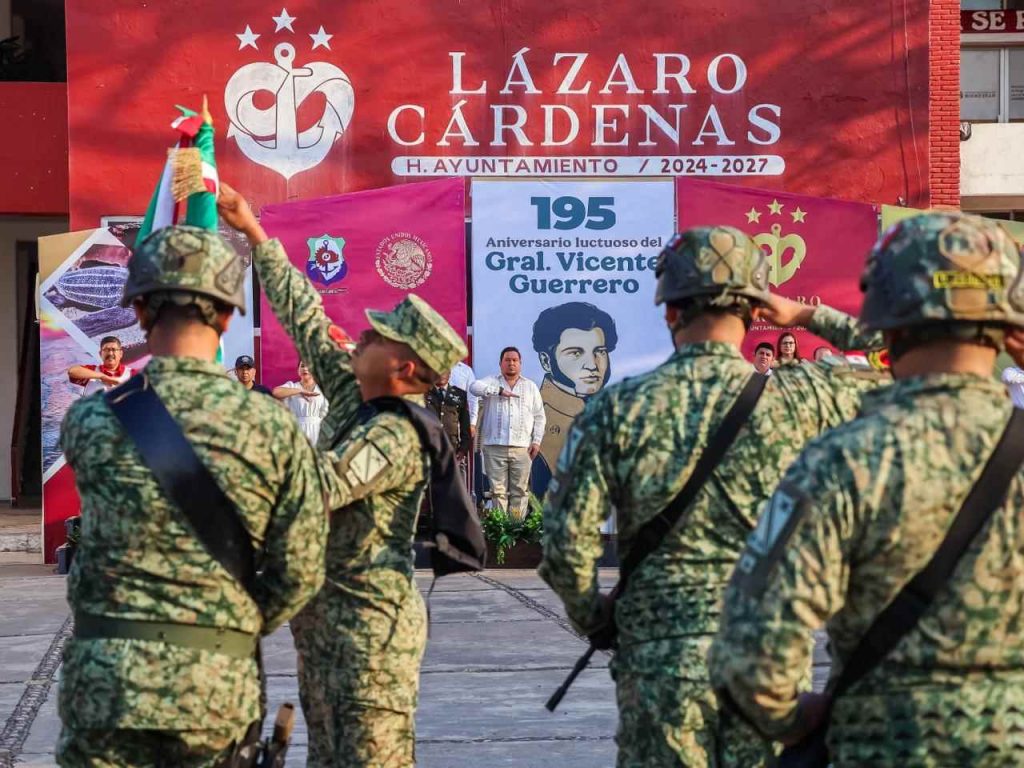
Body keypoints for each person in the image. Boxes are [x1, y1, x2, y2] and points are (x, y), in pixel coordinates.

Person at [538, 226, 885, 768]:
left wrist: (597, 617)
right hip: (768, 659)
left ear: (670, 312)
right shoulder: (806, 397)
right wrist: (803, 314)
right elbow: (906, 357)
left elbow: (564, 546)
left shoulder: (617, 409)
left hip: (661, 660)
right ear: (755, 311)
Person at [710, 213, 1024, 767]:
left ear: (887, 323)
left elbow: (752, 654)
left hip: (878, 744)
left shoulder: (839, 461)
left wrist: (800, 719)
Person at [217, 182, 468, 768]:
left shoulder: (397, 433)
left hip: (370, 642)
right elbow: (307, 319)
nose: (361, 336)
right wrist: (254, 233)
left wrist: (237, 433)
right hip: (328, 630)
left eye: (375, 336)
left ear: (404, 366)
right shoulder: (359, 397)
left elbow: (320, 486)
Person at [56, 224, 327, 767]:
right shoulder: (271, 426)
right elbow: (302, 569)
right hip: (215, 687)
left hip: (107, 685)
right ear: (227, 316)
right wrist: (230, 622)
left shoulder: (90, 422)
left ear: (139, 311)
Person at [530, 301, 618, 495]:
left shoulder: (615, 410)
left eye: (600, 352)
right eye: (576, 353)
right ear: (546, 361)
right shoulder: (534, 412)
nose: (592, 365)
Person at [470, 347, 546, 519]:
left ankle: (516, 527)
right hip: (494, 447)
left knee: (520, 491)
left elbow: (539, 416)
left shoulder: (530, 386)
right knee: (498, 492)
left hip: (522, 448)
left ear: (520, 363)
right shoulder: (492, 381)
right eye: (507, 360)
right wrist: (498, 391)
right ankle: (501, 529)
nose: (511, 363)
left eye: (514, 360)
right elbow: (474, 387)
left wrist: (536, 441)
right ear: (500, 363)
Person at [273, 360, 330, 444]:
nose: (305, 369)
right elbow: (275, 392)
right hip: (298, 429)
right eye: (302, 366)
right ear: (298, 370)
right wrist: (299, 391)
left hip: (319, 430)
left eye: (308, 366)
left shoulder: (323, 388)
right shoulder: (292, 386)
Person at [67, 335, 136, 395]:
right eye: (106, 350)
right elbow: (72, 371)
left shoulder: (131, 373)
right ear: (100, 354)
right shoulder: (92, 371)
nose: (110, 353)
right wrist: (102, 376)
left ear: (120, 353)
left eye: (114, 350)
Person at [425, 369, 471, 456]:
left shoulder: (460, 394)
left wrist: (463, 449)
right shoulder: (424, 393)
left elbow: (465, 424)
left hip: (451, 446)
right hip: (429, 445)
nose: (441, 374)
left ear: (449, 373)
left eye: (444, 371)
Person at [448, 359, 479, 437]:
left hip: (457, 421)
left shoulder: (466, 370)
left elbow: (473, 398)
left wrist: (472, 423)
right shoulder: (434, 366)